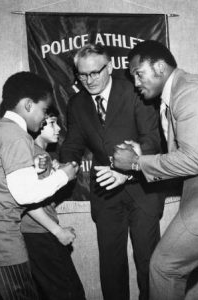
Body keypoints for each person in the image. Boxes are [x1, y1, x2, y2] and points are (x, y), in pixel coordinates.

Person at [109, 40, 198, 300]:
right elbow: (192, 151)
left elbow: (194, 160)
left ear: (159, 67)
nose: (136, 83)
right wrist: (142, 155)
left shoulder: (190, 92)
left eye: (139, 74)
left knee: (164, 268)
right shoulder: (180, 94)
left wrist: (137, 163)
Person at [59, 43, 165, 300]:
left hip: (143, 190)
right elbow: (73, 144)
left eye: (95, 72)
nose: (89, 80)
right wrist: (65, 164)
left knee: (147, 261)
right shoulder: (77, 103)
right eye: (82, 75)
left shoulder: (135, 91)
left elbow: (151, 140)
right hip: (105, 193)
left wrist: (126, 167)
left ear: (110, 67)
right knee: (110, 264)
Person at [0, 71, 79, 300]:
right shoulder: (17, 135)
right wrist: (63, 176)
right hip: (1, 240)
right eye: (43, 110)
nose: (43, 118)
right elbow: (24, 195)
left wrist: (36, 172)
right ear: (29, 105)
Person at [21, 110, 86, 300]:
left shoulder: (37, 153)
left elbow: (41, 199)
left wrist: (55, 177)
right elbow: (30, 202)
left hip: (36, 234)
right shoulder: (37, 154)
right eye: (52, 123)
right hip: (39, 235)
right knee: (70, 293)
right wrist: (57, 231)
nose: (58, 128)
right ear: (38, 124)